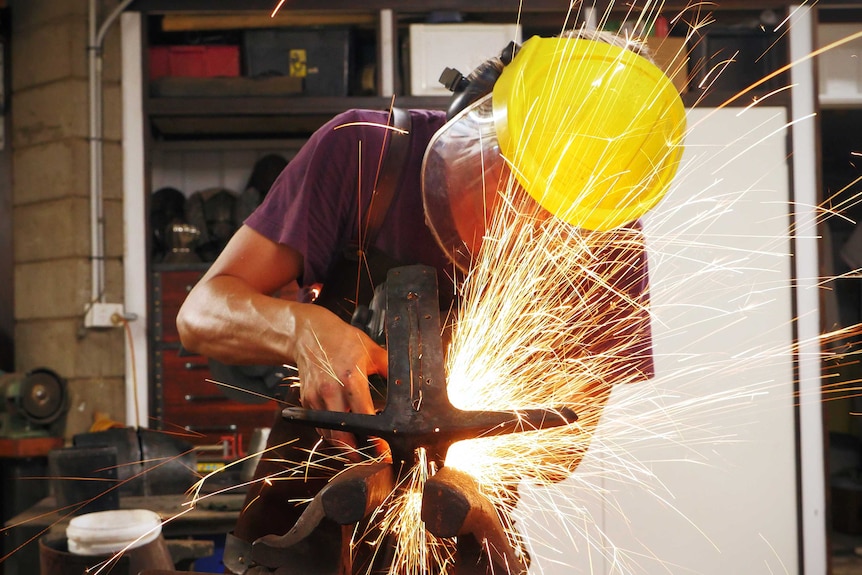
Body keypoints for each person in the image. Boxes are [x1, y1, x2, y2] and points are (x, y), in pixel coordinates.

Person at [176, 27, 685, 575]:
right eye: (521, 190)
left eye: (561, 220)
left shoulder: (609, 241)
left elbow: (563, 452)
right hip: (293, 543)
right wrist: (304, 330)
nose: (531, 230)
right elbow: (200, 313)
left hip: (454, 538)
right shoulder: (367, 155)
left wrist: (472, 413)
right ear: (484, 122)